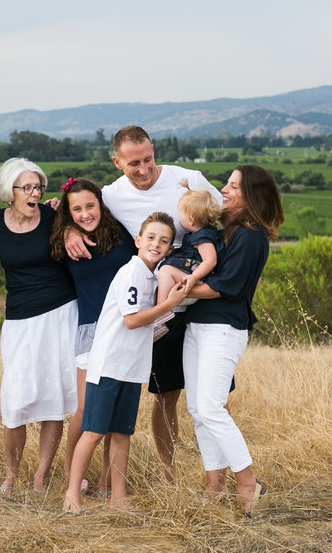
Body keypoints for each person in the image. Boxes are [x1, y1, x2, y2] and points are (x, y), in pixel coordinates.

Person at [64, 125, 221, 481]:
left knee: (208, 399)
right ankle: (167, 475)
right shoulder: (111, 196)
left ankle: (217, 476)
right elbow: (79, 210)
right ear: (117, 162)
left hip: (203, 305)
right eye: (134, 163)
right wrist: (67, 229)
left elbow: (226, 216)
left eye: (149, 159)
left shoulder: (189, 179)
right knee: (164, 397)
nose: (145, 169)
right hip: (156, 314)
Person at [62, 212, 191, 514]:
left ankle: (118, 497)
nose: (156, 244)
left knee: (122, 433)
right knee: (94, 432)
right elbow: (132, 321)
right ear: (138, 240)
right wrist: (169, 304)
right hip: (108, 366)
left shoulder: (151, 278)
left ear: (170, 248)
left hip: (132, 369)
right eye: (150, 238)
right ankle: (71, 493)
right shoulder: (131, 273)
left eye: (164, 241)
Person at [182, 165, 284, 517]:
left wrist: (175, 291)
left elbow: (226, 287)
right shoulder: (225, 231)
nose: (224, 189)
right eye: (227, 183)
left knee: (211, 408)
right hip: (197, 327)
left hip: (222, 330)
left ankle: (248, 482)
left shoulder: (249, 236)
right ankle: (214, 486)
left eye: (234, 187)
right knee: (198, 410)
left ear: (251, 196)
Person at [0, 158, 78, 495]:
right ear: (10, 191)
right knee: (15, 398)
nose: (35, 193)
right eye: (27, 187)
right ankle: (11, 474)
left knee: (55, 394)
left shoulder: (54, 216)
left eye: (38, 187)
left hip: (61, 312)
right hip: (19, 319)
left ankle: (41, 475)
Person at [49, 177, 135, 497]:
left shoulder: (122, 235)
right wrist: (65, 224)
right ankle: (74, 474)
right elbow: (38, 216)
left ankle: (108, 482)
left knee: (115, 414)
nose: (85, 213)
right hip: (91, 331)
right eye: (77, 209)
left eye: (90, 205)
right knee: (87, 410)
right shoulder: (63, 239)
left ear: (101, 204)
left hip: (126, 330)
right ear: (68, 213)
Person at [155, 187, 221, 311]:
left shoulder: (203, 238)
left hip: (194, 280)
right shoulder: (198, 235)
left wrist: (194, 277)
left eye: (180, 212)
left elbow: (210, 260)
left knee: (166, 271)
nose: (178, 216)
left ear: (190, 220)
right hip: (189, 277)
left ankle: (160, 311)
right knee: (164, 272)